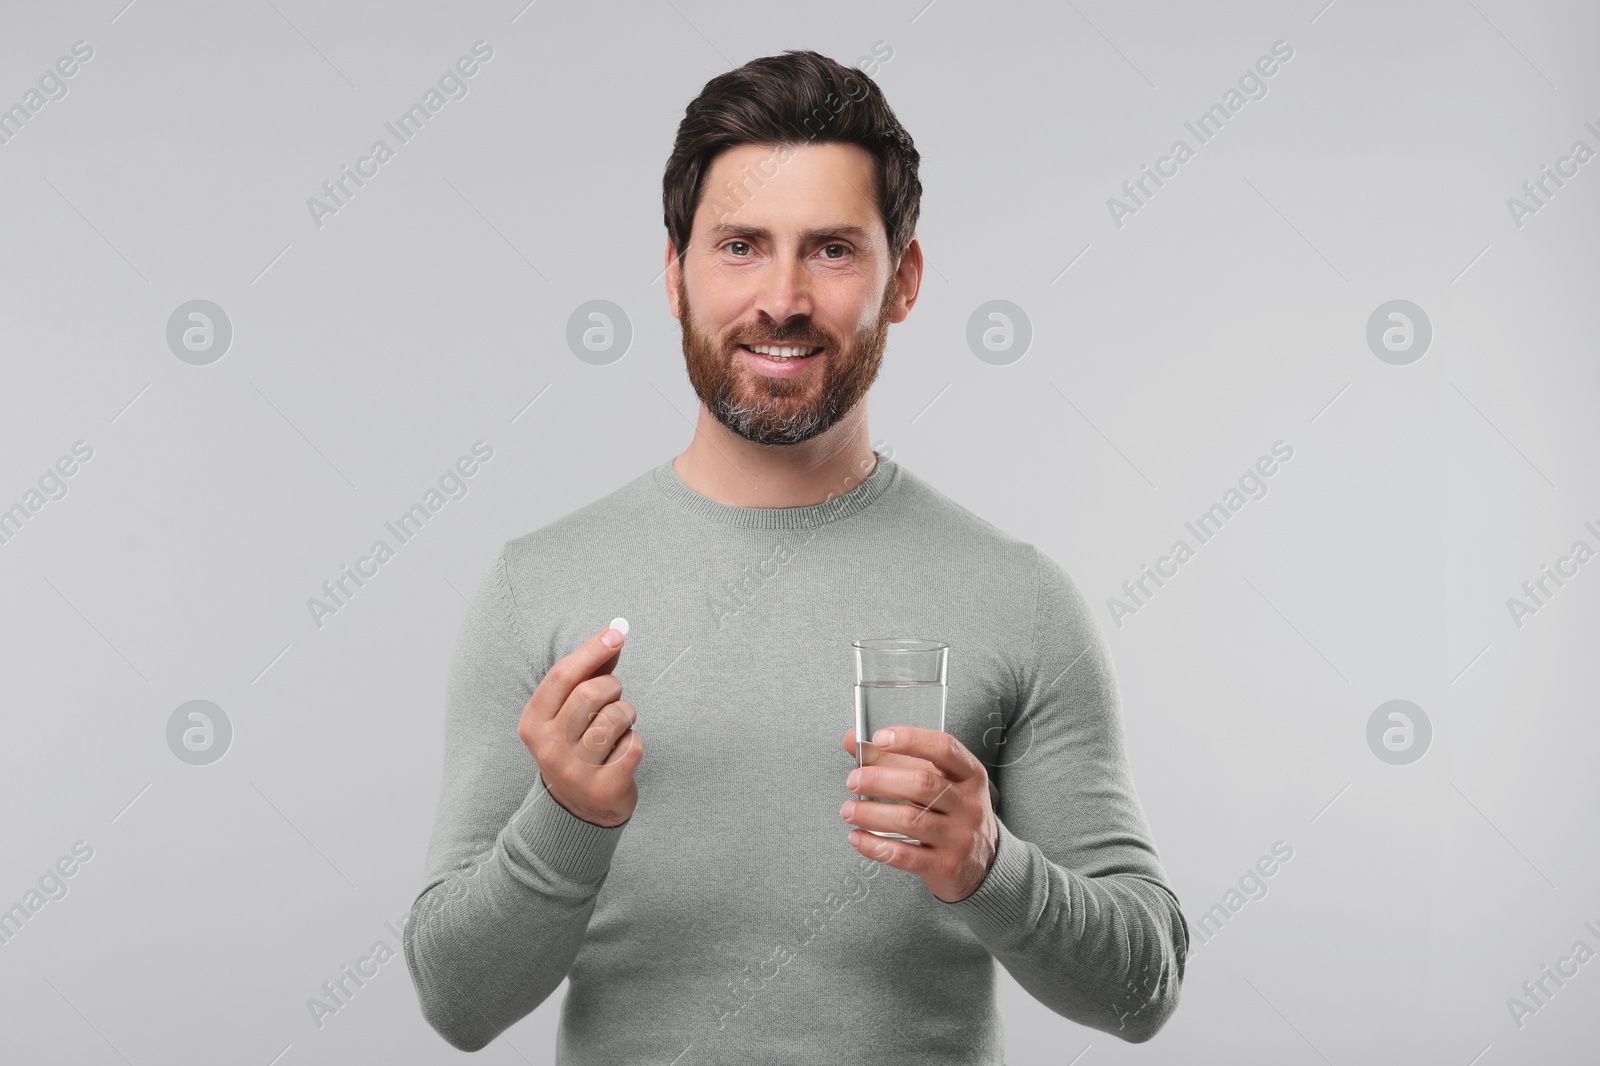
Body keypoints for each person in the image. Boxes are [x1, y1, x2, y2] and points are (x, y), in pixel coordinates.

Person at [403, 48, 1188, 1062]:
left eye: (830, 249)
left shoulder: (1018, 597)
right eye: (738, 245)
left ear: (901, 280)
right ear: (675, 272)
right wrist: (564, 818)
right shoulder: (536, 588)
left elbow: (1144, 993)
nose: (780, 296)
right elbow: (456, 1005)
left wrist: (990, 865)